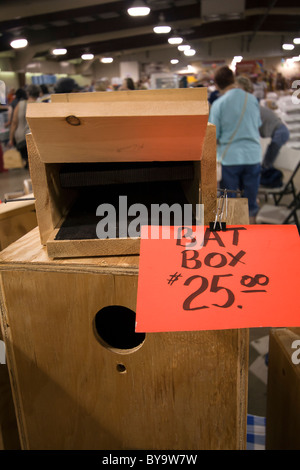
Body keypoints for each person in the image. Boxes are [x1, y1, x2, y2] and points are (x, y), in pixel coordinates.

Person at [209, 66, 262, 222]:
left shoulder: (219, 104)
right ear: (233, 80)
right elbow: (257, 124)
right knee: (251, 202)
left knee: (230, 202)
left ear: (217, 85)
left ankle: (234, 236)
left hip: (230, 158)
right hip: (253, 156)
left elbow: (214, 135)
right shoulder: (252, 99)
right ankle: (252, 231)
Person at [236, 75, 290, 169]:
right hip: (277, 130)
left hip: (279, 132)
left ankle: (269, 179)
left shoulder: (248, 106)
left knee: (267, 163)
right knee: (264, 161)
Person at [8, 84, 41, 169]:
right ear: (38, 93)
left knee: (28, 162)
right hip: (36, 138)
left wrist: (11, 139)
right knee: (37, 163)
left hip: (21, 138)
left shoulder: (20, 104)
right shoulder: (41, 105)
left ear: (28, 93)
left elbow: (14, 122)